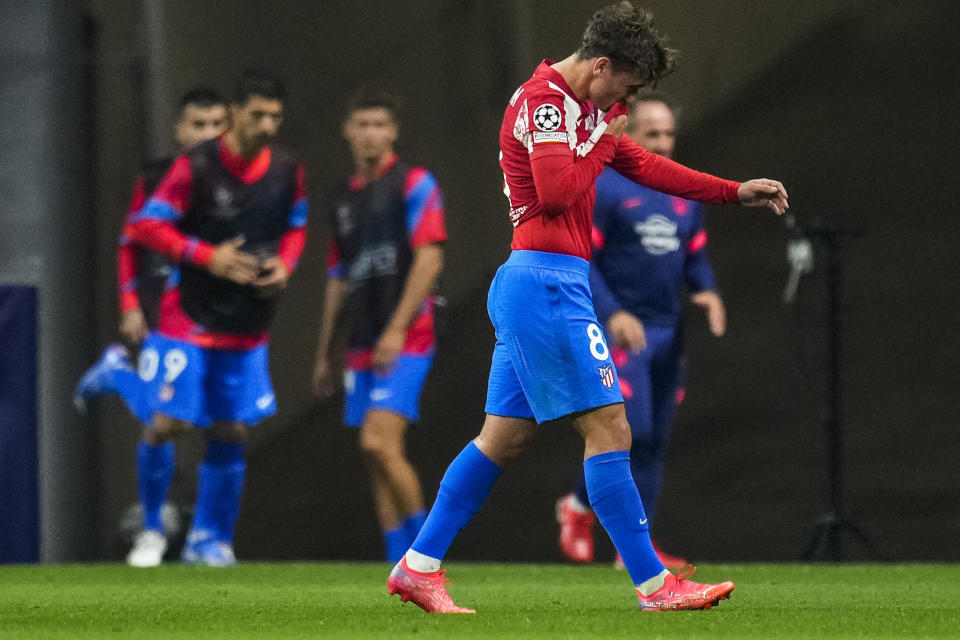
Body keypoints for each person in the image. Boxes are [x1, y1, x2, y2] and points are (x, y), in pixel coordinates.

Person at [386, 1, 787, 614]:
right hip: (547, 283)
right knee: (611, 427)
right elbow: (554, 193)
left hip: (544, 283)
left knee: (503, 439)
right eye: (624, 86)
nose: (622, 101)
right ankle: (655, 586)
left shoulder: (583, 113)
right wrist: (602, 139)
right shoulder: (546, 103)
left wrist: (733, 192)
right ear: (601, 65)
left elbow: (645, 165)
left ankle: (418, 566)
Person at [126, 69, 308, 567]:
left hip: (246, 322)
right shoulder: (196, 167)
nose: (268, 125)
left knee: (231, 429)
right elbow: (145, 226)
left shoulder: (288, 168)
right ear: (236, 114)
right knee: (167, 423)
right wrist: (207, 256)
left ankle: (211, 540)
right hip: (188, 314)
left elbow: (296, 225)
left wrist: (286, 266)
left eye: (276, 116)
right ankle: (150, 529)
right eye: (258, 115)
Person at [556, 92, 725, 571]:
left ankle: (635, 551)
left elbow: (695, 255)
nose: (664, 143)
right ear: (627, 135)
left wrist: (706, 291)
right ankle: (576, 504)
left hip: (668, 335)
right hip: (620, 332)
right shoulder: (605, 189)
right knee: (631, 429)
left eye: (670, 133)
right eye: (653, 133)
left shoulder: (682, 192)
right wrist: (611, 313)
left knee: (656, 440)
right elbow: (579, 257)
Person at [312, 92, 446, 563]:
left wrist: (395, 329)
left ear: (393, 132)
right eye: (361, 123)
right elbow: (336, 277)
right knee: (373, 456)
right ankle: (399, 559)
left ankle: (428, 553)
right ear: (348, 130)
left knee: (379, 441)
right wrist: (324, 350)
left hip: (407, 338)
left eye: (379, 124)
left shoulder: (414, 183)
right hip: (360, 341)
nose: (370, 133)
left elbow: (429, 259)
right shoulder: (344, 199)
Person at [73, 88, 229, 422]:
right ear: (179, 130)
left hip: (212, 306)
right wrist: (130, 305)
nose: (208, 134)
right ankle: (117, 374)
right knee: (165, 416)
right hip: (163, 301)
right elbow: (130, 243)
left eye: (217, 124)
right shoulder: (157, 178)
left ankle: (117, 373)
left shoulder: (237, 185)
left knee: (213, 417)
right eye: (198, 124)